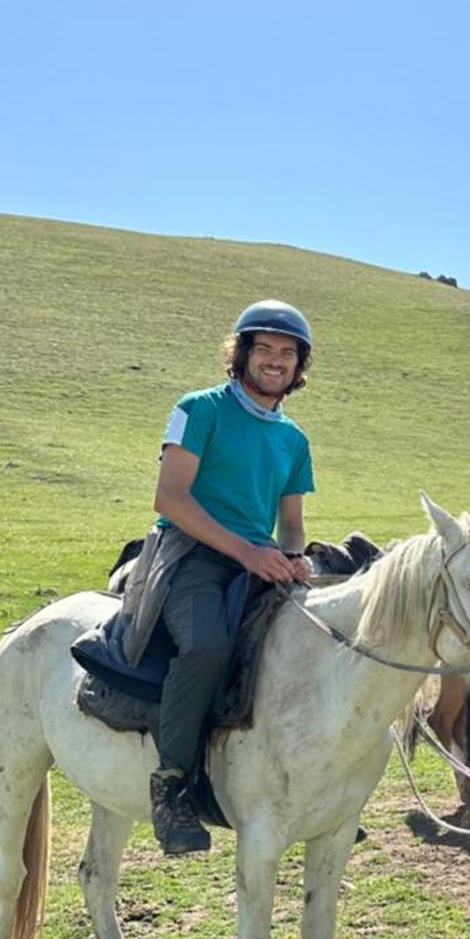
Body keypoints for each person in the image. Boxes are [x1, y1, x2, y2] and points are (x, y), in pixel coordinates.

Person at [142, 301, 317, 855]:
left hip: (258, 558)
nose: (275, 360)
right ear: (241, 354)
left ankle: (308, 787)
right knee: (207, 648)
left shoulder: (294, 440)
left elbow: (290, 524)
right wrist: (246, 552)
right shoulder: (199, 409)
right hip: (190, 553)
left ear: (297, 367)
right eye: (263, 349)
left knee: (313, 647)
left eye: (286, 353)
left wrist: (295, 559)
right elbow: (170, 497)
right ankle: (171, 785)